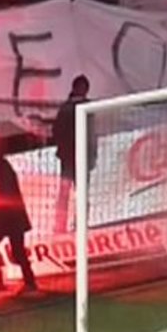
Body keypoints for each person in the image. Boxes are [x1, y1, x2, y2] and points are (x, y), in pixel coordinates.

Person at [0, 140, 38, 294]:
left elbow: (0, 192)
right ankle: (8, 281)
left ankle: (26, 283)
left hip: (7, 216)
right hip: (8, 215)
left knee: (3, 248)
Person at [51, 75, 95, 235]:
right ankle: (76, 225)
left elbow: (56, 132)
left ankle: (63, 226)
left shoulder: (65, 108)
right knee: (77, 193)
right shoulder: (86, 108)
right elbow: (91, 134)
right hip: (77, 158)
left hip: (71, 158)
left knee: (67, 193)